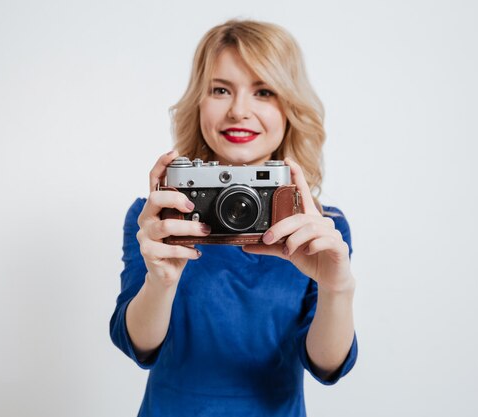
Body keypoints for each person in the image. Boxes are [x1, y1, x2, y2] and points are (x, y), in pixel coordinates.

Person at [110, 19, 358, 417]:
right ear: (199, 102)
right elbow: (140, 347)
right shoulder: (161, 217)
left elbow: (327, 366)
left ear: (290, 107)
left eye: (264, 91)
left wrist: (337, 287)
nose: (239, 110)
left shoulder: (319, 225)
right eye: (221, 90)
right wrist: (162, 278)